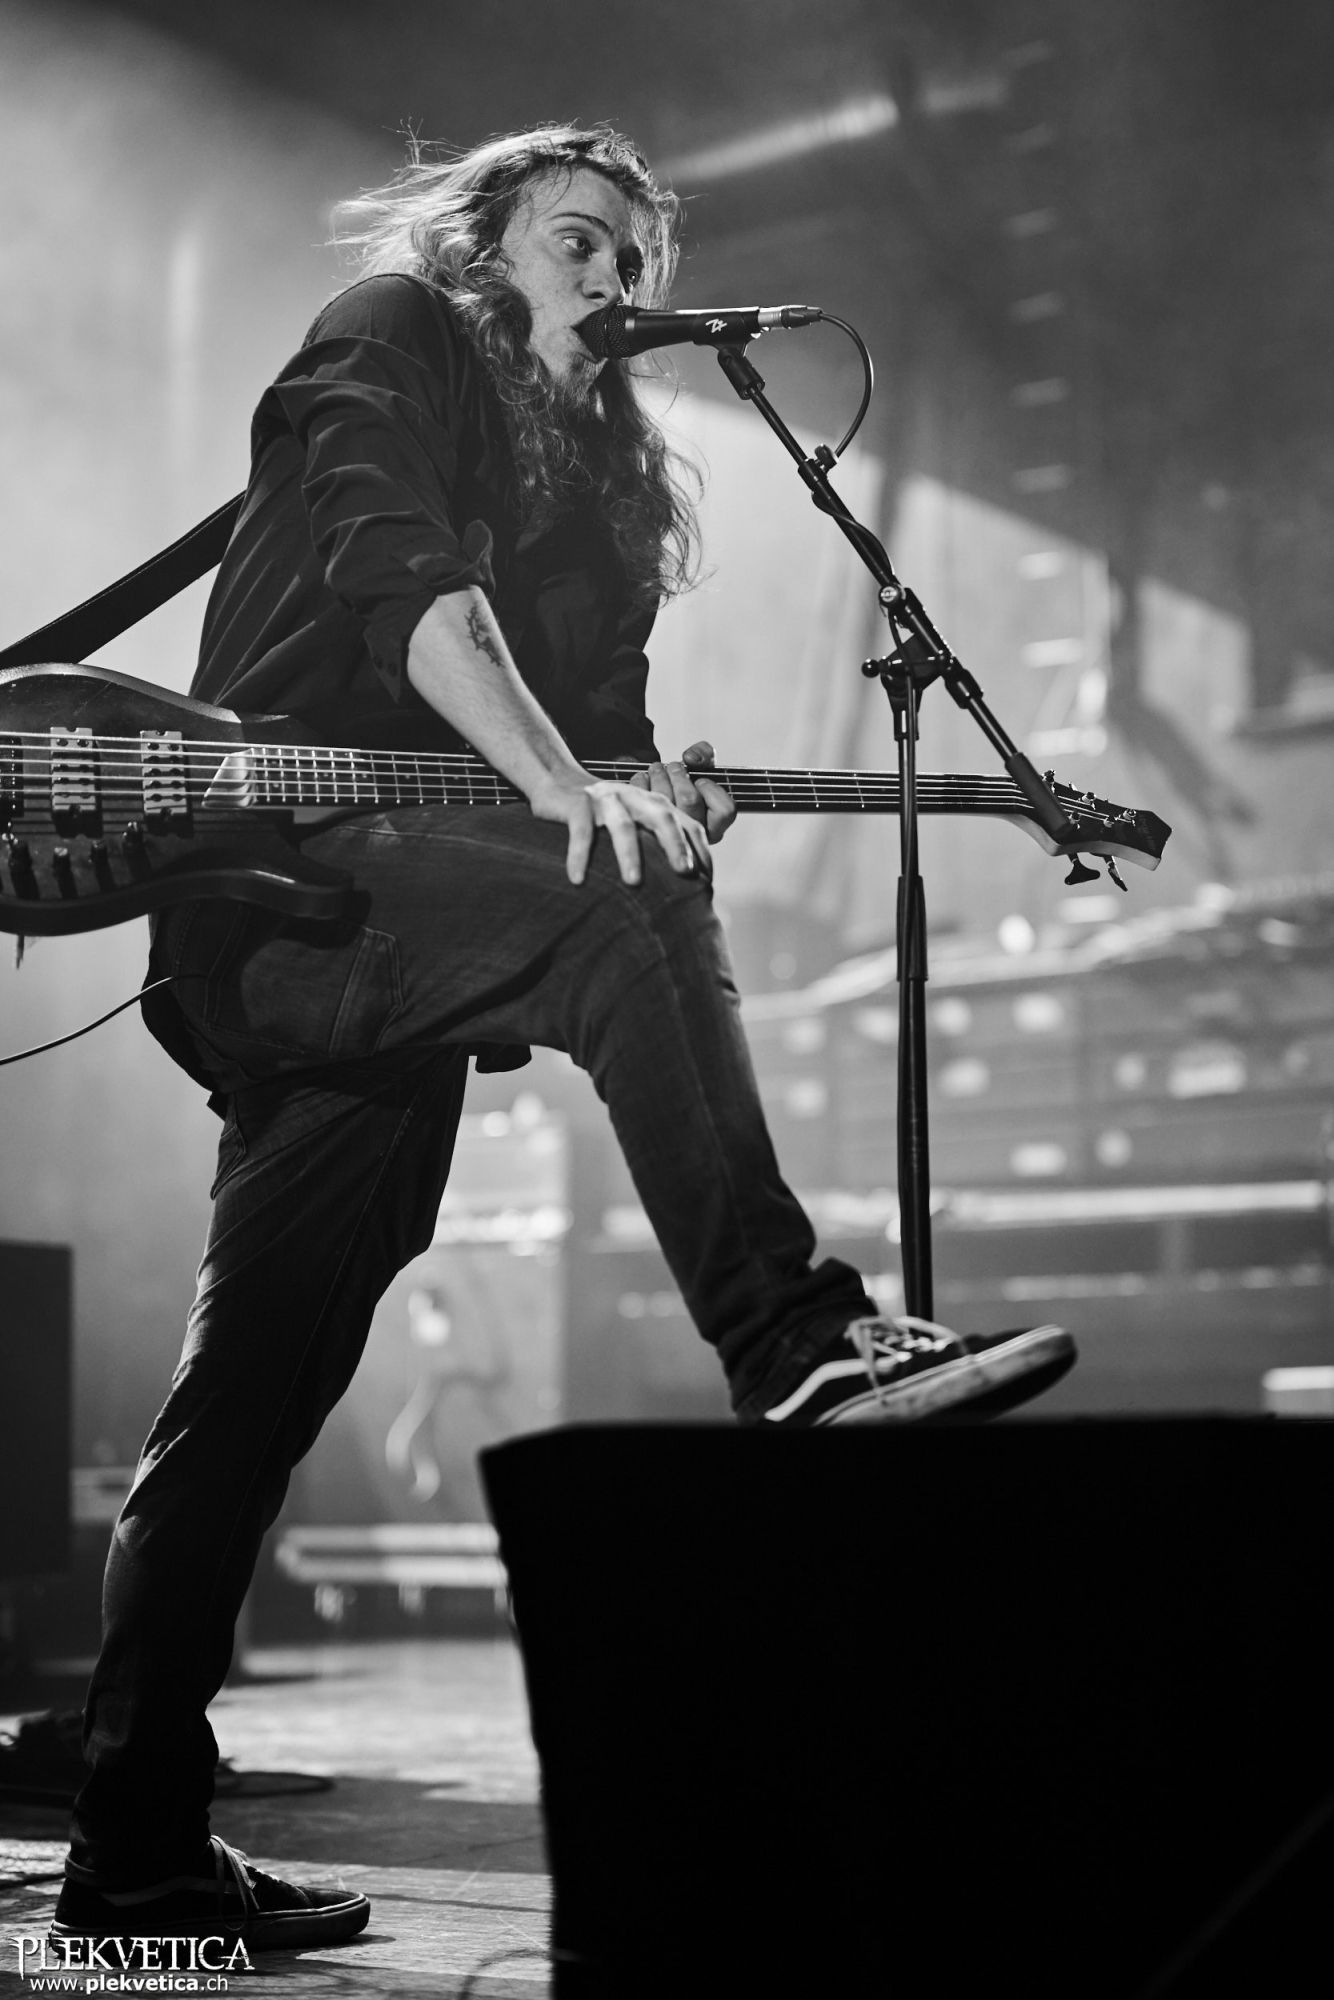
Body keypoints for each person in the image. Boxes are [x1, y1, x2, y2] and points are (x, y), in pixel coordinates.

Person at [50, 124, 1075, 1958]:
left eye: (635, 256)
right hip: (284, 896)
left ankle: (131, 1857)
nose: (615, 279)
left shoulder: (606, 479)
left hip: (416, 931)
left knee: (250, 1400)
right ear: (480, 245)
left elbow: (598, 738)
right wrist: (578, 804)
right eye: (579, 240)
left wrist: (651, 788)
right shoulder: (391, 331)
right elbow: (404, 586)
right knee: (620, 899)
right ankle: (794, 1343)